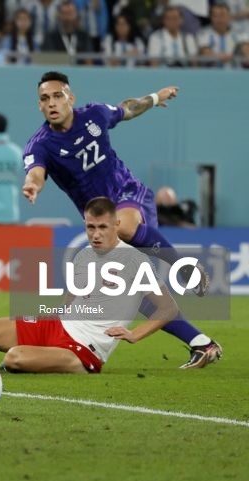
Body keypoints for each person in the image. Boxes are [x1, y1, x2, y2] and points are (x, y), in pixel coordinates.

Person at [21, 71, 222, 368]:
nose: (51, 102)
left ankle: (184, 267)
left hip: (130, 196)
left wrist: (155, 98)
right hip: (101, 219)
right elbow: (35, 171)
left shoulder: (94, 115)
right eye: (44, 98)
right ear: (39, 106)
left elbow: (127, 108)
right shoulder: (41, 144)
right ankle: (202, 344)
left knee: (124, 228)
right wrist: (33, 185)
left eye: (57, 96)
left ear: (70, 98)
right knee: (130, 292)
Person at [0, 197, 192, 373]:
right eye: (90, 227)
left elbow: (167, 308)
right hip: (60, 327)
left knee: (14, 357)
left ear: (116, 224)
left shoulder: (135, 260)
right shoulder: (84, 255)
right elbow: (72, 299)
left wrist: (136, 334)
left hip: (85, 350)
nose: (95, 234)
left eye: (102, 227)